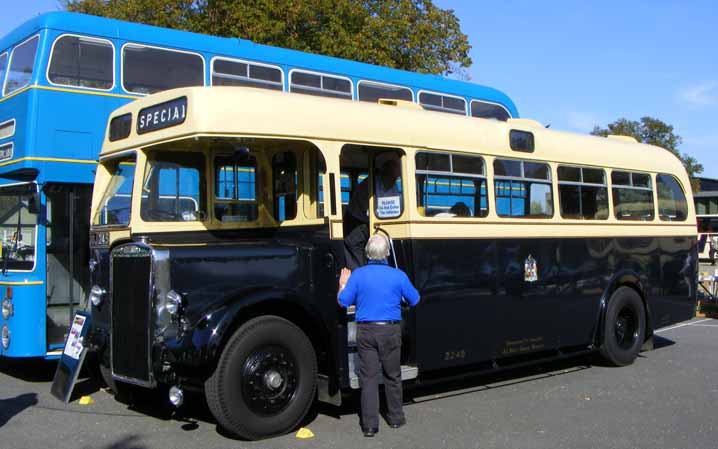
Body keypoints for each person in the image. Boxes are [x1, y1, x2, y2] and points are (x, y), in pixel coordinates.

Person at [337, 234, 420, 437]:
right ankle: (396, 418)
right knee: (393, 375)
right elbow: (415, 299)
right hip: (390, 330)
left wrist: (343, 284)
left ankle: (370, 426)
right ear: (387, 253)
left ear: (367, 253)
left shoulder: (358, 275)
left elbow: (343, 301)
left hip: (366, 332)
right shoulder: (398, 275)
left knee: (369, 378)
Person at [343, 155, 401, 269]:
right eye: (393, 177)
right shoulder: (370, 184)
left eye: (396, 178)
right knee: (356, 254)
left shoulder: (392, 185)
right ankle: (359, 278)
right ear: (386, 173)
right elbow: (368, 209)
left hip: (368, 224)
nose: (394, 180)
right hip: (355, 224)